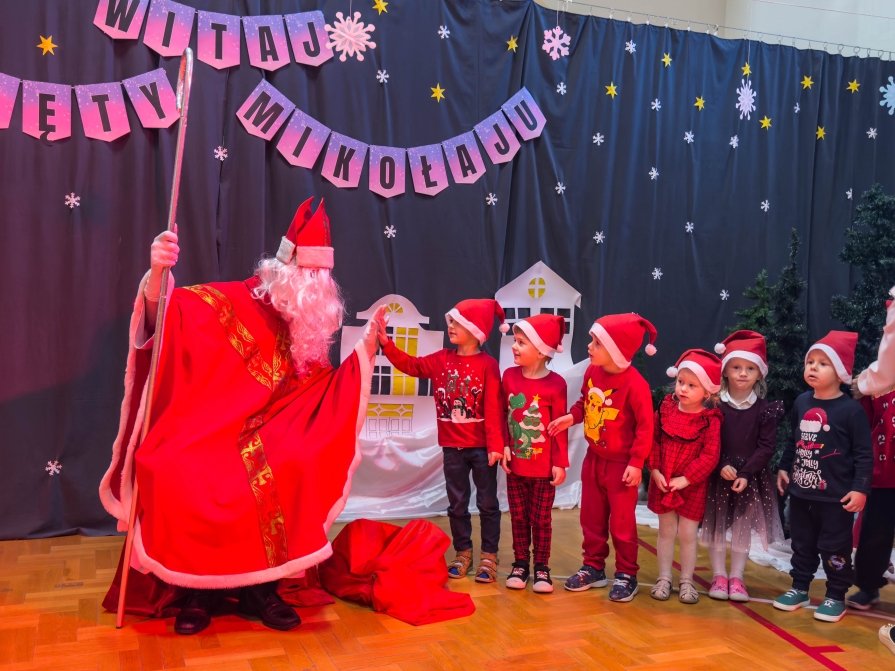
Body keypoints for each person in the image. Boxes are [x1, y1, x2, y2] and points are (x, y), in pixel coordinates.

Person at [99, 198, 383, 635]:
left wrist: (365, 350)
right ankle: (197, 591)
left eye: (319, 283)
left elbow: (318, 394)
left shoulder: (306, 329)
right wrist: (157, 275)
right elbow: (164, 319)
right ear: (283, 270)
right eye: (305, 279)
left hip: (271, 433)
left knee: (296, 460)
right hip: (205, 429)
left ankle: (261, 590)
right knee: (173, 466)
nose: (311, 292)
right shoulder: (224, 300)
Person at [377, 299, 505, 583]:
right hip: (452, 449)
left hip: (482, 449)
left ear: (476, 330)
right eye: (451, 321)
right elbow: (411, 365)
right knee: (457, 504)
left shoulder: (488, 365)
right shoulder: (441, 359)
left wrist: (496, 446)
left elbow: (495, 408)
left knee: (487, 503)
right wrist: (386, 344)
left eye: (458, 322)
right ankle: (463, 552)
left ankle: (489, 555)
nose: (451, 326)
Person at [548, 314, 658, 602]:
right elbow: (585, 403)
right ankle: (593, 567)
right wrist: (571, 417)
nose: (589, 346)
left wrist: (636, 463)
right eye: (592, 340)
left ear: (617, 349)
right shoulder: (592, 372)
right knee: (591, 518)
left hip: (622, 466)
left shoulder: (635, 385)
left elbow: (646, 428)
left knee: (621, 523)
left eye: (597, 342)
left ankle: (627, 574)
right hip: (594, 459)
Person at [775, 331, 873, 623]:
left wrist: (860, 489)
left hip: (835, 499)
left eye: (823, 363)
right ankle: (799, 588)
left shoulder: (851, 411)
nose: (813, 368)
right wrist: (784, 467)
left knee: (834, 547)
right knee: (801, 544)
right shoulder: (802, 402)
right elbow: (793, 440)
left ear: (840, 372)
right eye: (810, 362)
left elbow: (864, 455)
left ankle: (836, 595)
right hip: (801, 493)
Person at [701, 331, 785, 603]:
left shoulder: (765, 409)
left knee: (742, 528)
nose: (743, 373)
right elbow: (708, 439)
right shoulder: (713, 405)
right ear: (725, 371)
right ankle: (718, 575)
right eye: (736, 367)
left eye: (750, 368)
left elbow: (766, 446)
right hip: (718, 473)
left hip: (750, 476)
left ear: (760, 374)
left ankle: (736, 577)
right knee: (715, 526)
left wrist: (747, 472)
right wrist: (721, 463)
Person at [501, 314, 569, 593]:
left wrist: (560, 463)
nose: (514, 346)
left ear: (541, 352)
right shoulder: (508, 376)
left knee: (541, 519)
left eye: (521, 342)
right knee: (518, 516)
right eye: (515, 341)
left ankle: (542, 566)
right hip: (516, 467)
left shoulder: (557, 384)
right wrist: (505, 446)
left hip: (543, 470)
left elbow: (559, 428)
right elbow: (503, 414)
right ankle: (520, 563)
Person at [649, 350, 723, 605]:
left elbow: (710, 455)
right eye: (681, 382)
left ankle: (687, 580)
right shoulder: (665, 408)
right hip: (664, 481)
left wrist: (686, 479)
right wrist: (655, 471)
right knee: (666, 530)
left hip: (692, 486)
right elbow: (653, 441)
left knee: (688, 534)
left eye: (692, 385)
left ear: (707, 392)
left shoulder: (710, 420)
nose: (683, 389)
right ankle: (664, 577)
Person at [848, 297, 895, 615]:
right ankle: (868, 584)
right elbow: (864, 427)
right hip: (885, 471)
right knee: (876, 528)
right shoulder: (875, 386)